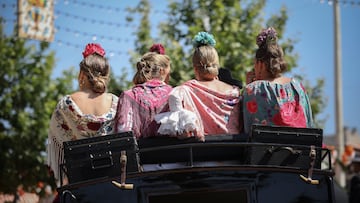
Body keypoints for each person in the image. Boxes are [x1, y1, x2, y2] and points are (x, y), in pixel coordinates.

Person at [47, 43, 118, 183]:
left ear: (81, 75)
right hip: (113, 180)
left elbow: (56, 144)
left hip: (79, 182)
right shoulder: (117, 102)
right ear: (106, 75)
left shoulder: (65, 104)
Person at [155, 32, 243, 141]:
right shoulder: (234, 91)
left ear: (195, 69)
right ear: (217, 65)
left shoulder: (186, 90)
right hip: (233, 150)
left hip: (202, 153)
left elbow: (174, 96)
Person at [242, 27, 313, 134]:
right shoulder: (297, 86)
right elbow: (309, 123)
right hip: (299, 148)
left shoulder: (253, 89)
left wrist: (249, 87)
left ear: (260, 65)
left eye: (254, 64)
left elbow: (246, 127)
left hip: (265, 149)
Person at [115, 46, 172, 139]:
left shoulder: (128, 96)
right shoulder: (175, 93)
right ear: (162, 71)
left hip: (140, 152)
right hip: (174, 152)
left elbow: (123, 134)